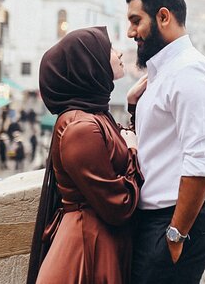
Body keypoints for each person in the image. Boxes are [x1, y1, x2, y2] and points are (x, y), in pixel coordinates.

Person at [126, 0, 205, 284]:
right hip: (160, 219)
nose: (131, 32)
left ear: (164, 17)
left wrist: (175, 234)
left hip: (176, 222)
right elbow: (159, 140)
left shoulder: (188, 72)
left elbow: (202, 160)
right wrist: (133, 106)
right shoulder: (165, 71)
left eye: (136, 21)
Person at [26, 26, 143, 284]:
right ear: (89, 63)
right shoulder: (81, 128)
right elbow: (119, 205)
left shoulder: (95, 115)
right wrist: (133, 152)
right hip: (86, 250)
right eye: (109, 49)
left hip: (97, 241)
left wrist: (133, 106)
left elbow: (119, 146)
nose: (120, 53)